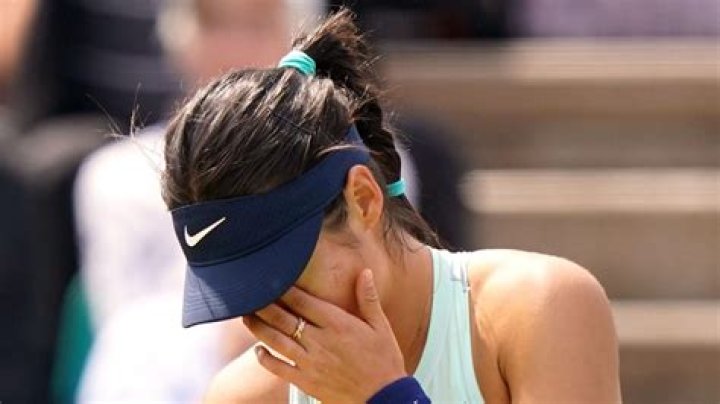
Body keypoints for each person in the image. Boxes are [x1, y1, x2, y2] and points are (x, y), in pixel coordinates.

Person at [162, 9, 620, 403]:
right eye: (245, 293)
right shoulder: (244, 396)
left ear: (363, 199)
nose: (275, 314)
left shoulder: (542, 307)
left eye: (285, 272)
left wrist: (384, 395)